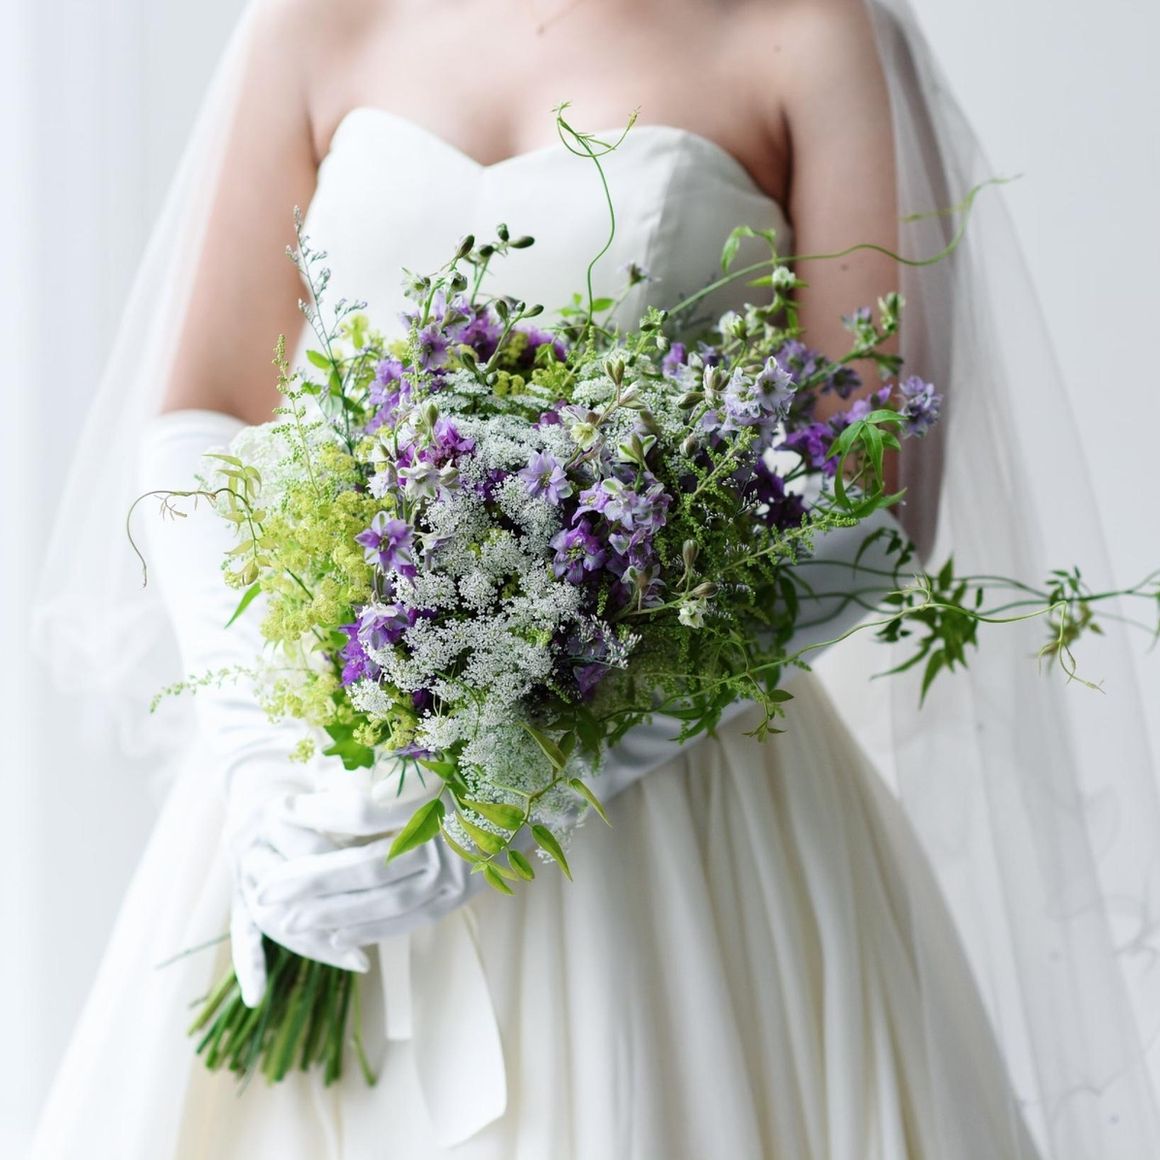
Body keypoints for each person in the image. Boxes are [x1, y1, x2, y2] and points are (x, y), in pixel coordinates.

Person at [30, 1, 1160, 1157]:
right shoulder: (315, 20)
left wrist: (517, 785)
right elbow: (209, 417)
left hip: (671, 823)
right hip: (332, 792)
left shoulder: (809, 31)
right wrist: (264, 758)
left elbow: (871, 500)